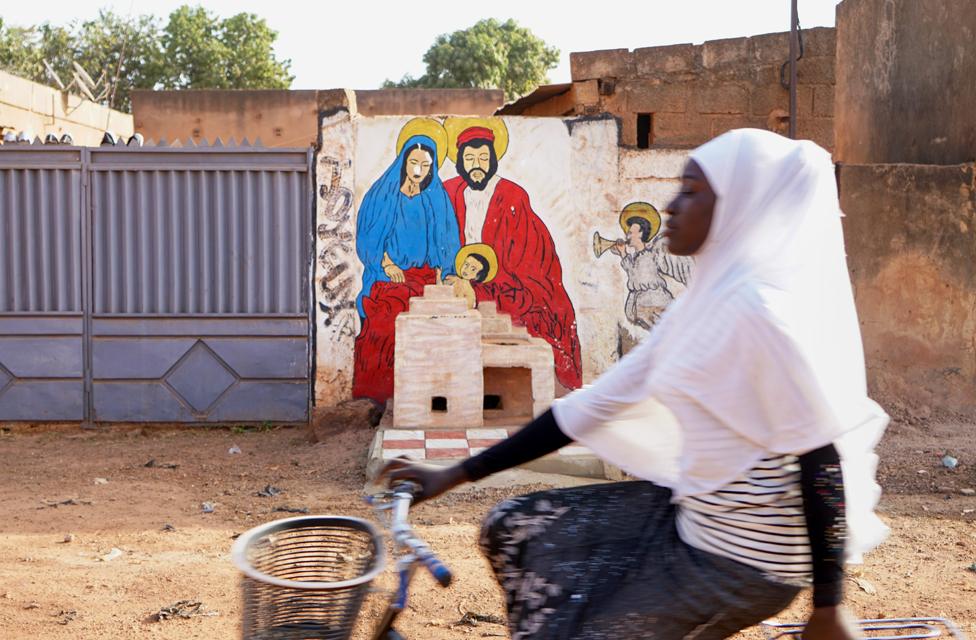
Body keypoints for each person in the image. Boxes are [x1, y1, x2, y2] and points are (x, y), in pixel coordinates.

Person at [382, 129, 890, 640]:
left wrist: (829, 606)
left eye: (691, 191)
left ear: (737, 209)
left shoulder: (758, 314)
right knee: (513, 528)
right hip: (691, 513)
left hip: (745, 560)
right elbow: (588, 408)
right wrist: (453, 473)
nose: (671, 206)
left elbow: (819, 454)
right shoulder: (702, 304)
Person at [442, 120, 583, 391]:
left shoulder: (511, 195)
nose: (477, 164)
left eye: (484, 157)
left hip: (507, 280)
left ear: (494, 158)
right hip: (461, 276)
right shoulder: (449, 191)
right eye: (469, 158)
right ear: (459, 160)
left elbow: (527, 257)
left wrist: (485, 286)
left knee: (537, 311)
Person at [353, 123, 461, 403]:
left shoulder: (435, 199)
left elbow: (446, 242)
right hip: (387, 277)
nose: (418, 169)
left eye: (425, 165)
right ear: (403, 161)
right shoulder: (382, 195)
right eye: (414, 162)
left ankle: (423, 396)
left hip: (423, 279)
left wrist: (443, 275)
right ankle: (377, 395)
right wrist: (387, 265)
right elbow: (369, 239)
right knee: (388, 319)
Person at [609, 202, 693, 329]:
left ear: (641, 234)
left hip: (656, 304)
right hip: (643, 308)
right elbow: (633, 272)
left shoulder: (652, 253)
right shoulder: (636, 257)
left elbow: (637, 276)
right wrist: (623, 254)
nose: (627, 235)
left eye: (631, 232)